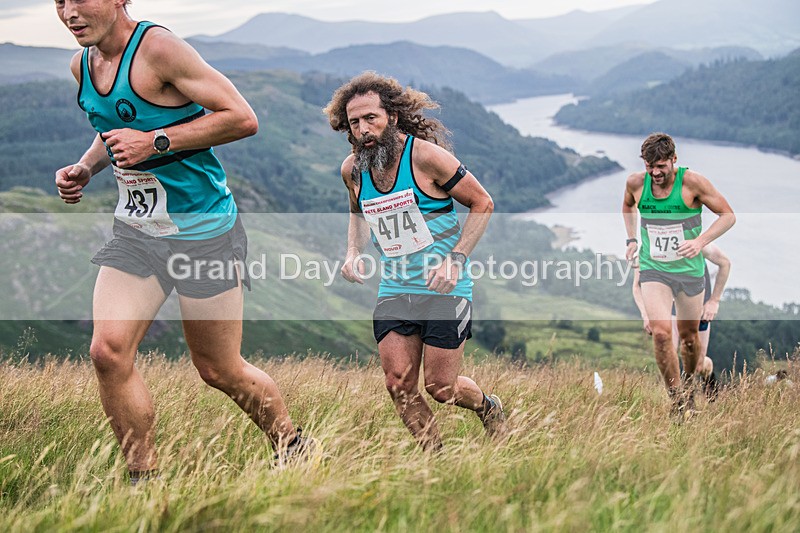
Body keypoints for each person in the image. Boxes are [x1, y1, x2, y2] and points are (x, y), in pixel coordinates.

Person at [54, 0, 311, 483]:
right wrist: (86, 168)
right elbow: (109, 131)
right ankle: (143, 481)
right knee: (107, 351)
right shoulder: (82, 64)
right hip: (138, 232)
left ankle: (293, 445)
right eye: (58, 1)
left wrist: (155, 143)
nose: (69, 11)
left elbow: (242, 117)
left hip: (204, 234)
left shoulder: (160, 49)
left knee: (219, 369)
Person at [324, 72, 506, 450]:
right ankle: (435, 462)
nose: (364, 129)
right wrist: (353, 252)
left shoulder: (425, 157)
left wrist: (455, 260)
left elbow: (482, 202)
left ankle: (488, 407)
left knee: (442, 388)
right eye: (355, 122)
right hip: (395, 286)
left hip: (444, 286)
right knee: (398, 385)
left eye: (371, 118)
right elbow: (358, 213)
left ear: (390, 115)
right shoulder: (352, 169)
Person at [623, 132, 735, 419]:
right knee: (661, 335)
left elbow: (728, 215)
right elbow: (627, 206)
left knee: (688, 340)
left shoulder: (692, 183)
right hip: (654, 269)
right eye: (650, 167)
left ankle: (689, 384)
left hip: (688, 272)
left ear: (674, 160)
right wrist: (632, 239)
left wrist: (700, 242)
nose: (656, 173)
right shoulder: (636, 183)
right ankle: (678, 401)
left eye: (661, 166)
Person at [632, 243, 731, 399]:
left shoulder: (694, 242)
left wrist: (714, 301)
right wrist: (646, 314)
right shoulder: (649, 245)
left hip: (698, 307)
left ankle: (708, 374)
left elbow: (725, 263)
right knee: (667, 349)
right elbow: (637, 286)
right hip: (669, 306)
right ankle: (680, 400)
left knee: (698, 365)